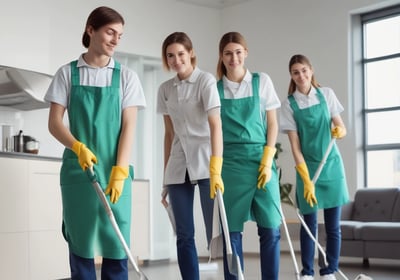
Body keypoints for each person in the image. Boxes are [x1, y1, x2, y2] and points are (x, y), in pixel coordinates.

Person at [45, 6, 146, 280]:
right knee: (81, 246)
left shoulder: (126, 77)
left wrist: (120, 171)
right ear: (91, 30)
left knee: (116, 246)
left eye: (120, 35)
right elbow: (54, 123)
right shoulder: (67, 74)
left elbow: (129, 127)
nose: (115, 39)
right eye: (110, 32)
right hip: (79, 174)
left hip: (116, 174)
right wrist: (78, 147)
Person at [157, 31, 224, 280]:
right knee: (184, 233)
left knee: (216, 231)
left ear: (191, 53)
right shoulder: (165, 89)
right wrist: (165, 175)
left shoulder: (206, 81)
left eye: (181, 54)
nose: (176, 60)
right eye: (170, 56)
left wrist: (216, 166)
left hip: (206, 162)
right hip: (178, 164)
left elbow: (215, 125)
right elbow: (168, 133)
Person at [216, 31, 281, 280]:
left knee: (271, 228)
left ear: (246, 53)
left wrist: (267, 159)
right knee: (231, 233)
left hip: (261, 161)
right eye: (228, 53)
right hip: (230, 164)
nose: (234, 58)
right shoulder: (215, 88)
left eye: (238, 52)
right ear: (221, 57)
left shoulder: (261, 80)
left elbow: (272, 124)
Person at [280, 54, 349, 280]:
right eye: (295, 72)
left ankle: (329, 270)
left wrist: (340, 130)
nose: (301, 76)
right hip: (307, 168)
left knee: (333, 227)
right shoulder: (289, 104)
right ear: (291, 75)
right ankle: (308, 272)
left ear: (311, 70)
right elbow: (295, 146)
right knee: (309, 226)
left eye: (304, 70)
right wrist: (305, 178)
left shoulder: (326, 94)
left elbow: (340, 126)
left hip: (331, 166)